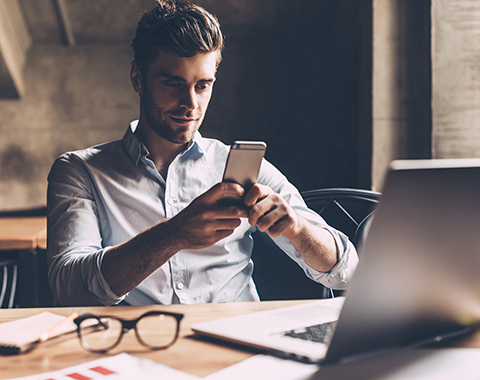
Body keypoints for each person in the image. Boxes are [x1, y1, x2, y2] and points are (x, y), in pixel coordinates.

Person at [46, 0, 358, 306]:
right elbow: (69, 290)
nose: (191, 104)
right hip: (140, 344)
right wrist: (172, 235)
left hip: (239, 339)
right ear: (137, 78)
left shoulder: (244, 167)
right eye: (174, 84)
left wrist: (298, 229)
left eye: (203, 86)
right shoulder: (79, 172)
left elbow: (345, 272)